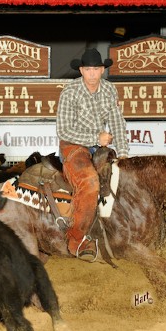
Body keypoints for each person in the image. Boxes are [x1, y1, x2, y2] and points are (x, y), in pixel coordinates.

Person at [56, 48, 129, 261]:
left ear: (102, 70)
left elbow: (117, 122)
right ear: (81, 70)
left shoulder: (109, 89)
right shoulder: (70, 92)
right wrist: (96, 138)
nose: (92, 73)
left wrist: (123, 153)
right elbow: (63, 130)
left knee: (122, 178)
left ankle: (117, 229)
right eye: (88, 69)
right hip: (73, 146)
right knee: (89, 183)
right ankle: (76, 239)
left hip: (99, 147)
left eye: (96, 69)